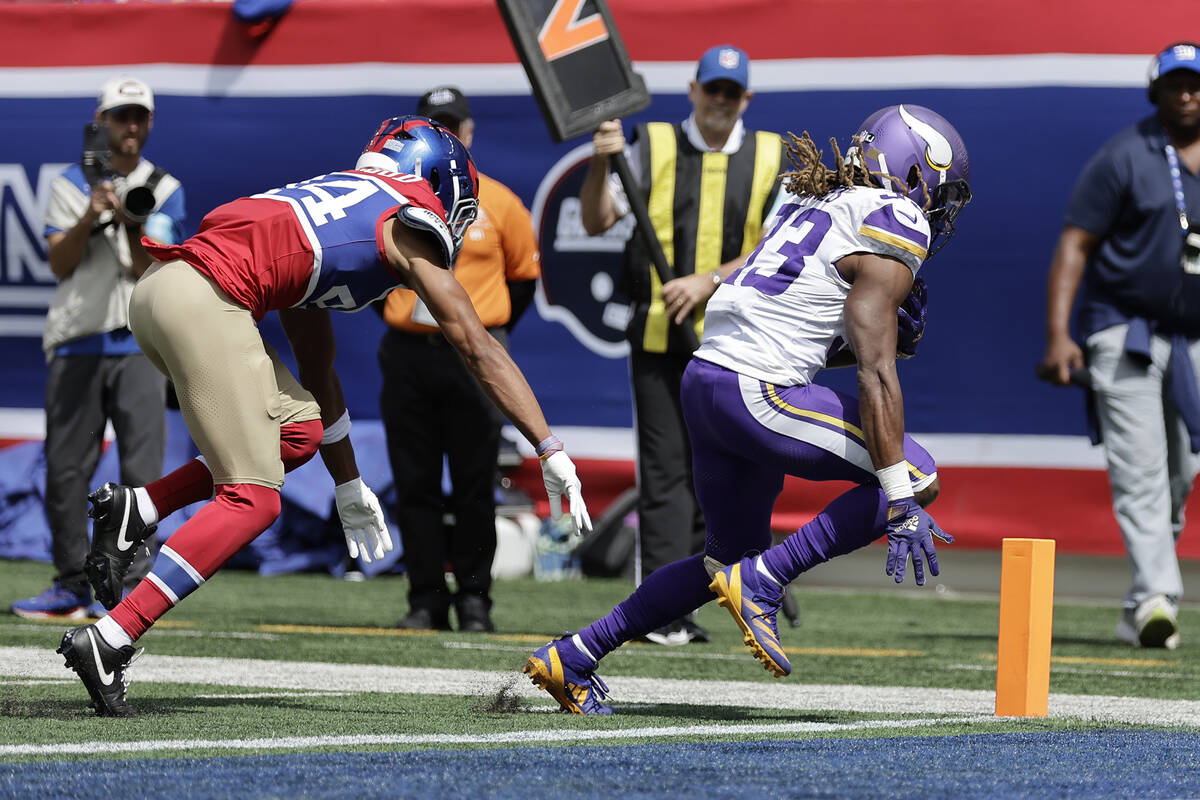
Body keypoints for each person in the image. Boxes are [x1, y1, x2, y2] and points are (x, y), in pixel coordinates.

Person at [55, 115, 591, 716]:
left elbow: (318, 364)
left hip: (160, 290)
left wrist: (348, 483)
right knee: (254, 499)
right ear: (434, 180)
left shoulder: (330, 206)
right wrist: (548, 445)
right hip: (205, 298)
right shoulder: (404, 217)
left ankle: (141, 507)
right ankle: (111, 636)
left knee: (298, 427)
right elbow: (476, 341)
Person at [525, 104, 972, 714]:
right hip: (758, 392)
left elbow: (800, 329)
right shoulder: (894, 217)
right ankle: (766, 579)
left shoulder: (808, 201)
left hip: (707, 381)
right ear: (914, 173)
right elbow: (877, 371)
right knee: (916, 475)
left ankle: (575, 654)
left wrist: (869, 342)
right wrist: (896, 496)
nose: (936, 209)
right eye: (937, 192)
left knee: (722, 559)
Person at [579, 44, 785, 645]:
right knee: (665, 473)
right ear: (693, 89)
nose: (719, 101)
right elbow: (595, 221)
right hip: (658, 337)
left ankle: (711, 595)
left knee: (721, 472)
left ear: (744, 99)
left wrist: (708, 279)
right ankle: (663, 613)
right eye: (711, 89)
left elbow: (779, 247)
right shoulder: (654, 145)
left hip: (738, 341)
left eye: (730, 92)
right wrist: (601, 162)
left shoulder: (771, 156)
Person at [1040, 42, 1200, 651]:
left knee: (1181, 471)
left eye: (1196, 84)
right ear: (1154, 91)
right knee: (1140, 468)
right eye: (1176, 84)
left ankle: (1139, 603)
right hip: (1123, 329)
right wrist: (1060, 334)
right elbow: (1075, 245)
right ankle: (1158, 597)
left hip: (1193, 337)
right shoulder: (1124, 157)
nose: (1187, 94)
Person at [11, 76, 185, 621]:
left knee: (143, 470)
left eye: (139, 117)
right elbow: (59, 264)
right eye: (120, 116)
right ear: (101, 121)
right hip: (78, 342)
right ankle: (70, 585)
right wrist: (93, 210)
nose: (130, 127)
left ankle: (134, 592)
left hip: (141, 345)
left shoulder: (164, 186)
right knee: (66, 467)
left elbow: (145, 266)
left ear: (149, 123)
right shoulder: (69, 182)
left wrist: (131, 219)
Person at [380, 87, 541, 633]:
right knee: (415, 482)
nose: (448, 136)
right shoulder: (391, 201)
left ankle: (475, 600)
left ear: (469, 134)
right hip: (408, 355)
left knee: (475, 482)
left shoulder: (498, 200)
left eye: (454, 127)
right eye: (435, 126)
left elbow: (522, 282)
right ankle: (424, 598)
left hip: (471, 359)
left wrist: (481, 333)